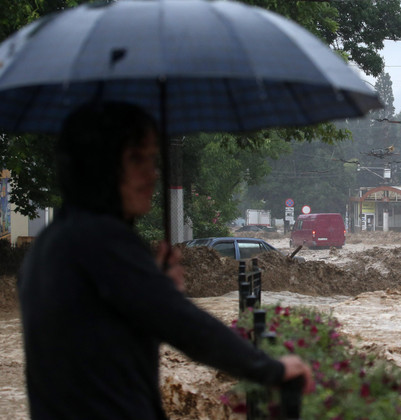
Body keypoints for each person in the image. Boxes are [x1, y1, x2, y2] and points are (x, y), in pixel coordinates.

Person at [17, 102, 313, 419]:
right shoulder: (102, 240)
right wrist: (271, 369)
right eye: (135, 159)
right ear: (97, 166)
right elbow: (186, 327)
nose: (152, 173)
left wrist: (154, 286)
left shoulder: (51, 244)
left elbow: (103, 342)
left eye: (152, 158)